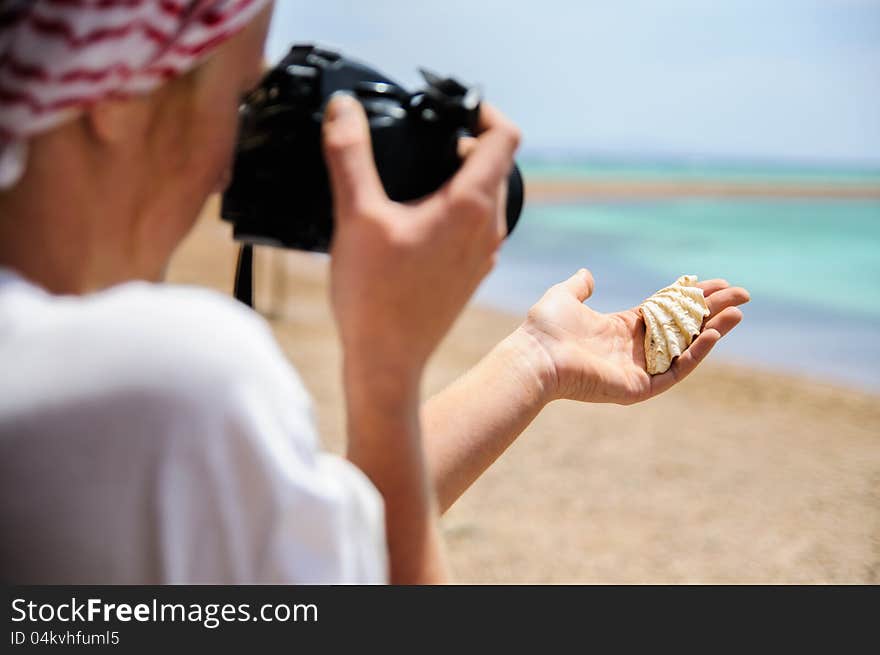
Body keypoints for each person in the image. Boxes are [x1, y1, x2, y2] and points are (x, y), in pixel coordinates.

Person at [0, 1, 749, 584]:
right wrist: (385, 368)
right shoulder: (175, 386)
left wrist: (536, 360)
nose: (233, 160)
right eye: (237, 93)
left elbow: (324, 542)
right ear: (121, 91)